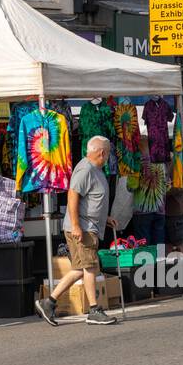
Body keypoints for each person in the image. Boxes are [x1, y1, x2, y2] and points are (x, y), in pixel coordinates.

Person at [36, 136, 117, 327]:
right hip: (83, 228)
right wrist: (76, 225)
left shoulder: (95, 169)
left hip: (89, 226)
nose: (108, 156)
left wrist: (104, 217)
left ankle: (48, 302)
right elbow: (73, 195)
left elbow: (90, 200)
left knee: (80, 270)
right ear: (102, 152)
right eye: (108, 152)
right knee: (89, 267)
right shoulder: (85, 169)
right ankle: (94, 310)